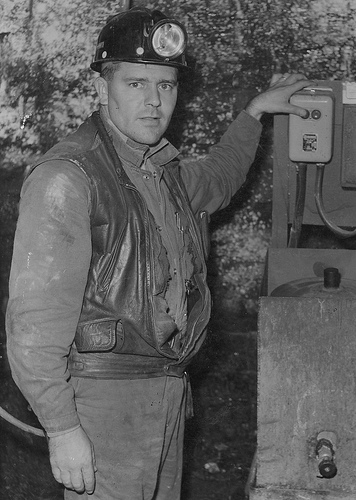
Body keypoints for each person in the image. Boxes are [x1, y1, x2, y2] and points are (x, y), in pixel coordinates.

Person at [5, 6, 312, 500]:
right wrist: (63, 429)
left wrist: (255, 112)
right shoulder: (69, 178)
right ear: (103, 89)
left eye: (166, 86)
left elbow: (218, 176)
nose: (153, 102)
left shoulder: (158, 169)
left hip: (166, 389)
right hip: (105, 401)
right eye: (135, 84)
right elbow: (33, 326)